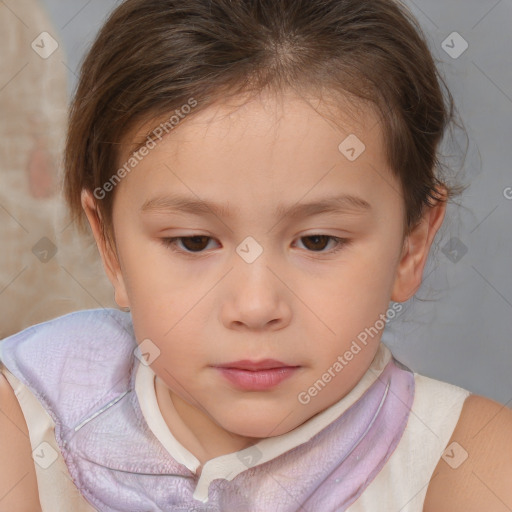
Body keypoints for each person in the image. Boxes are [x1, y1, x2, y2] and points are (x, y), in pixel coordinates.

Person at [0, 0, 511, 510]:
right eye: (194, 242)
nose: (255, 306)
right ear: (109, 246)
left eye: (317, 241)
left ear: (411, 245)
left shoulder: (474, 463)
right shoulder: (27, 416)